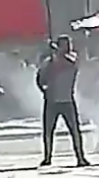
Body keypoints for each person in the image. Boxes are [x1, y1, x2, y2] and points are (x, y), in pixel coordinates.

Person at [36, 35, 88, 167]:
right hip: (52, 100)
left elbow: (69, 64)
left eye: (69, 44)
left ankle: (80, 157)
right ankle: (47, 157)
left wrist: (55, 53)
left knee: (75, 130)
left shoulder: (72, 58)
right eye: (65, 44)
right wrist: (44, 89)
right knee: (48, 131)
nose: (68, 47)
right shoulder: (50, 61)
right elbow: (40, 77)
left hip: (67, 99)